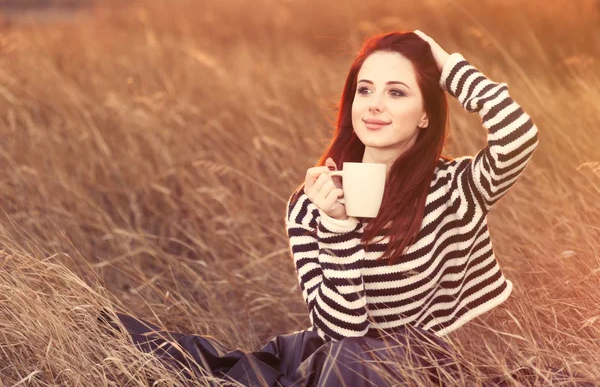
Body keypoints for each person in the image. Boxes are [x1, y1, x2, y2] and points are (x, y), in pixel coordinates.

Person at [99, 30, 592, 386]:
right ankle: (86, 322)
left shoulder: (456, 187)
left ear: (425, 114)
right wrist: (336, 229)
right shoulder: (309, 206)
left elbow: (518, 135)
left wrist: (448, 68)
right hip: (341, 362)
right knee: (186, 359)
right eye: (365, 89)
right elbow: (342, 334)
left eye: (396, 92)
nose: (374, 104)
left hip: (429, 366)